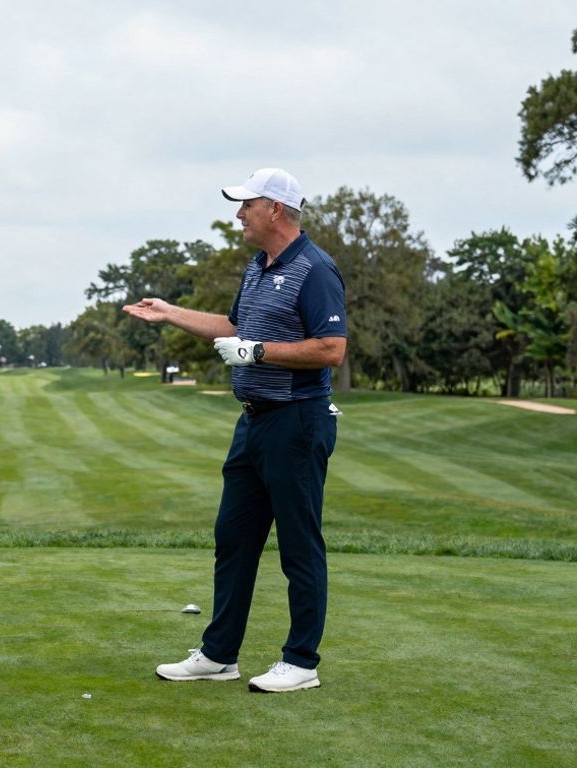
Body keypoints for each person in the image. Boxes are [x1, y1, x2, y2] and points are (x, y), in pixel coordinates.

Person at [124, 168, 347, 693]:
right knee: (234, 537)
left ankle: (301, 661)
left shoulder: (315, 270)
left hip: (298, 420)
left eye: (246, 205)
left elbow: (331, 349)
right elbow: (235, 327)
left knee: (298, 545)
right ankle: (220, 654)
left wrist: (259, 353)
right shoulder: (257, 267)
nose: (238, 214)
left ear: (274, 208)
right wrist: (170, 313)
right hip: (253, 422)